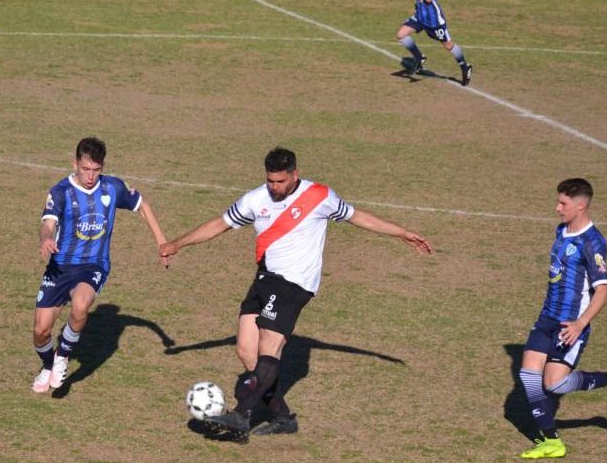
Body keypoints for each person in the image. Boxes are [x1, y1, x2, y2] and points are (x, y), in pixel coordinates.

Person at [159, 147, 434, 436]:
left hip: (294, 284)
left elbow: (358, 217)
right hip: (264, 280)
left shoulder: (320, 197)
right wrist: (177, 244)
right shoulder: (255, 199)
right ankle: (283, 418)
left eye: (280, 181)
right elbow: (220, 224)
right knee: (246, 352)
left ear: (295, 175)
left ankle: (241, 415)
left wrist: (401, 232)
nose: (275, 188)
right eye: (270, 181)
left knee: (268, 347)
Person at [31, 137, 168, 393]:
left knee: (82, 304)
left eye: (96, 170)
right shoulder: (60, 192)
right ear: (75, 163)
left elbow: (142, 205)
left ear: (102, 167)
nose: (90, 176)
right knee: (40, 331)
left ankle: (62, 356)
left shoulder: (112, 188)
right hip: (60, 266)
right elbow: (47, 224)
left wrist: (161, 241)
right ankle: (48, 365)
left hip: (94, 264)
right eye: (85, 169)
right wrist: (46, 239)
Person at [518, 178, 607, 459]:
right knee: (528, 377)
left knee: (553, 385)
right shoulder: (561, 231)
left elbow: (603, 290)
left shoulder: (593, 242)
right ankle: (552, 442)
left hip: (570, 325)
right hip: (546, 318)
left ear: (581, 205)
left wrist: (580, 323)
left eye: (563, 203)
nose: (557, 208)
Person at [396, 0, 473, 86]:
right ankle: (419, 58)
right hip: (420, 17)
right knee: (401, 34)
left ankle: (465, 67)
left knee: (448, 45)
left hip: (433, 21)